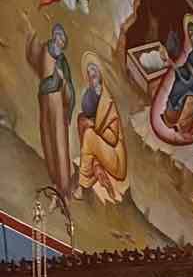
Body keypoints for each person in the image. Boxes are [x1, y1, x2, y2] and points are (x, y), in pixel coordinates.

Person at [25, 22, 73, 199]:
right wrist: (30, 34)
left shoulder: (62, 61)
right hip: (43, 96)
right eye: (59, 36)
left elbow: (69, 87)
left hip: (56, 99)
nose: (60, 40)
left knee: (59, 139)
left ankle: (64, 187)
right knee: (46, 136)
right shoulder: (45, 48)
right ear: (54, 35)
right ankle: (54, 180)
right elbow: (34, 59)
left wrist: (62, 80)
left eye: (63, 38)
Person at [74, 56, 127, 204]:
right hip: (105, 154)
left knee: (89, 135)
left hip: (117, 159)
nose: (92, 74)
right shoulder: (93, 96)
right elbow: (87, 115)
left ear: (100, 73)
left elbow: (113, 138)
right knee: (82, 121)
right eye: (89, 73)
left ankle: (82, 185)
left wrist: (94, 127)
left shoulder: (108, 102)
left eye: (94, 70)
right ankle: (96, 168)